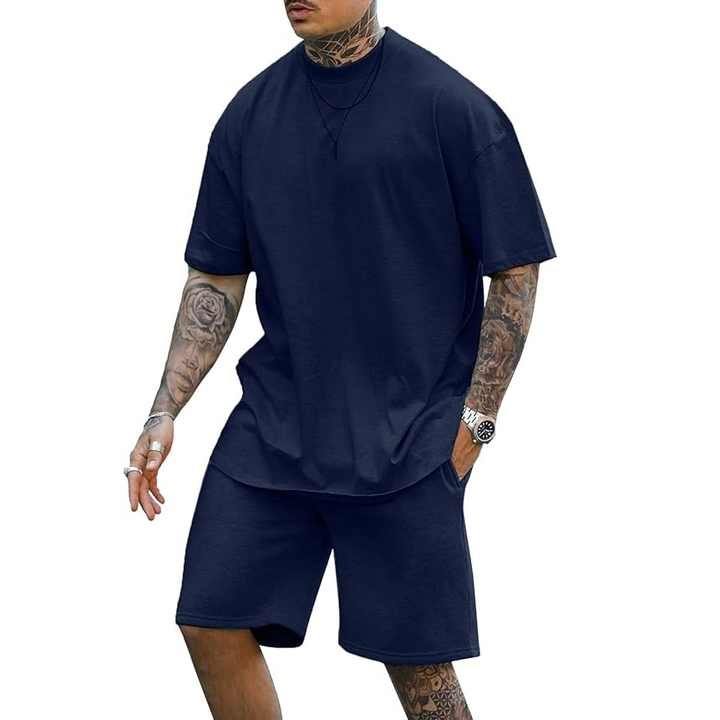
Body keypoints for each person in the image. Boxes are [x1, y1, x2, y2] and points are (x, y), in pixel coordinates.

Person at [124, 1, 555, 717]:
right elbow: (216, 279)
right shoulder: (248, 116)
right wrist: (163, 409)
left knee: (420, 672)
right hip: (276, 428)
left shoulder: (452, 108)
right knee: (209, 619)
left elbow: (515, 269)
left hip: (409, 438)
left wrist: (477, 420)